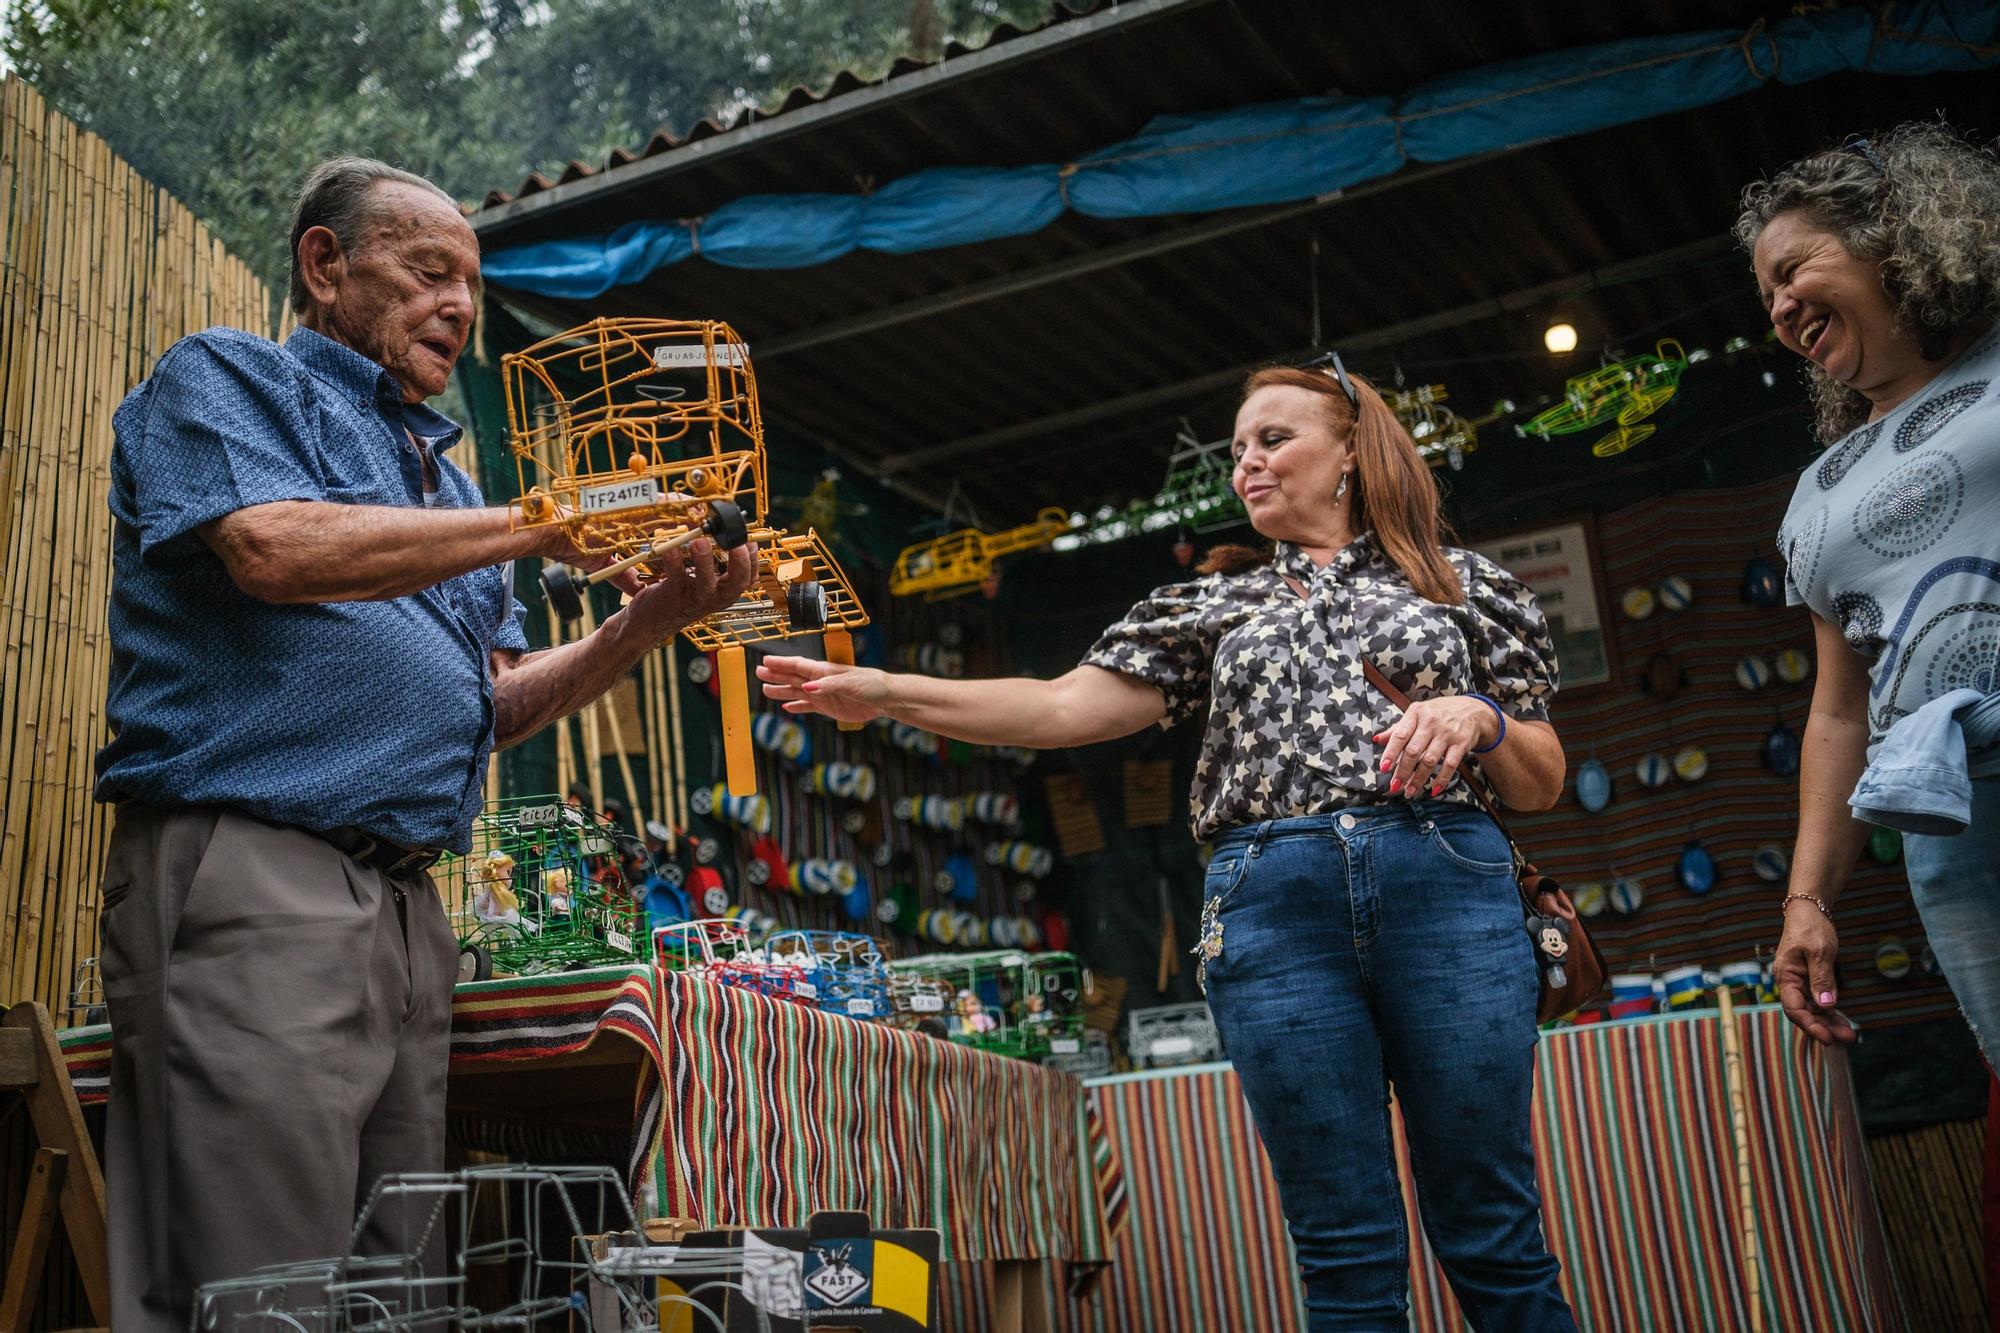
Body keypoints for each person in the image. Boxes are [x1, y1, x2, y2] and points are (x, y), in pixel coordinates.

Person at [761, 359, 1575, 1330]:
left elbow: (1539, 779)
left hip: (1445, 885)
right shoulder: (1209, 603)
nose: (1246, 465)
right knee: (1344, 1245)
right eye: (1237, 451)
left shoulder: (1465, 587)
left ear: (1352, 450)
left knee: (1490, 1226)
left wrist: (1478, 715)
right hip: (1273, 907)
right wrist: (884, 692)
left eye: (1272, 439)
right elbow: (1061, 705)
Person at [94, 155, 754, 1331]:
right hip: (257, 865)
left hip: (406, 900)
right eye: (428, 270)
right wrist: (542, 522)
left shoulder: (450, 480)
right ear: (324, 264)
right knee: (256, 1274)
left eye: (472, 287)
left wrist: (650, 619)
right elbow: (272, 551)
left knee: (403, 1277)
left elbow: (495, 704)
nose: (458, 304)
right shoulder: (227, 377)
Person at [1737, 122, 2000, 1054]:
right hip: (1964, 818)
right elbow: (1842, 713)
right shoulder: (1818, 492)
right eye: (1766, 294)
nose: (1778, 305)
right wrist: (1807, 901)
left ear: (1895, 235)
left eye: (1793, 267)